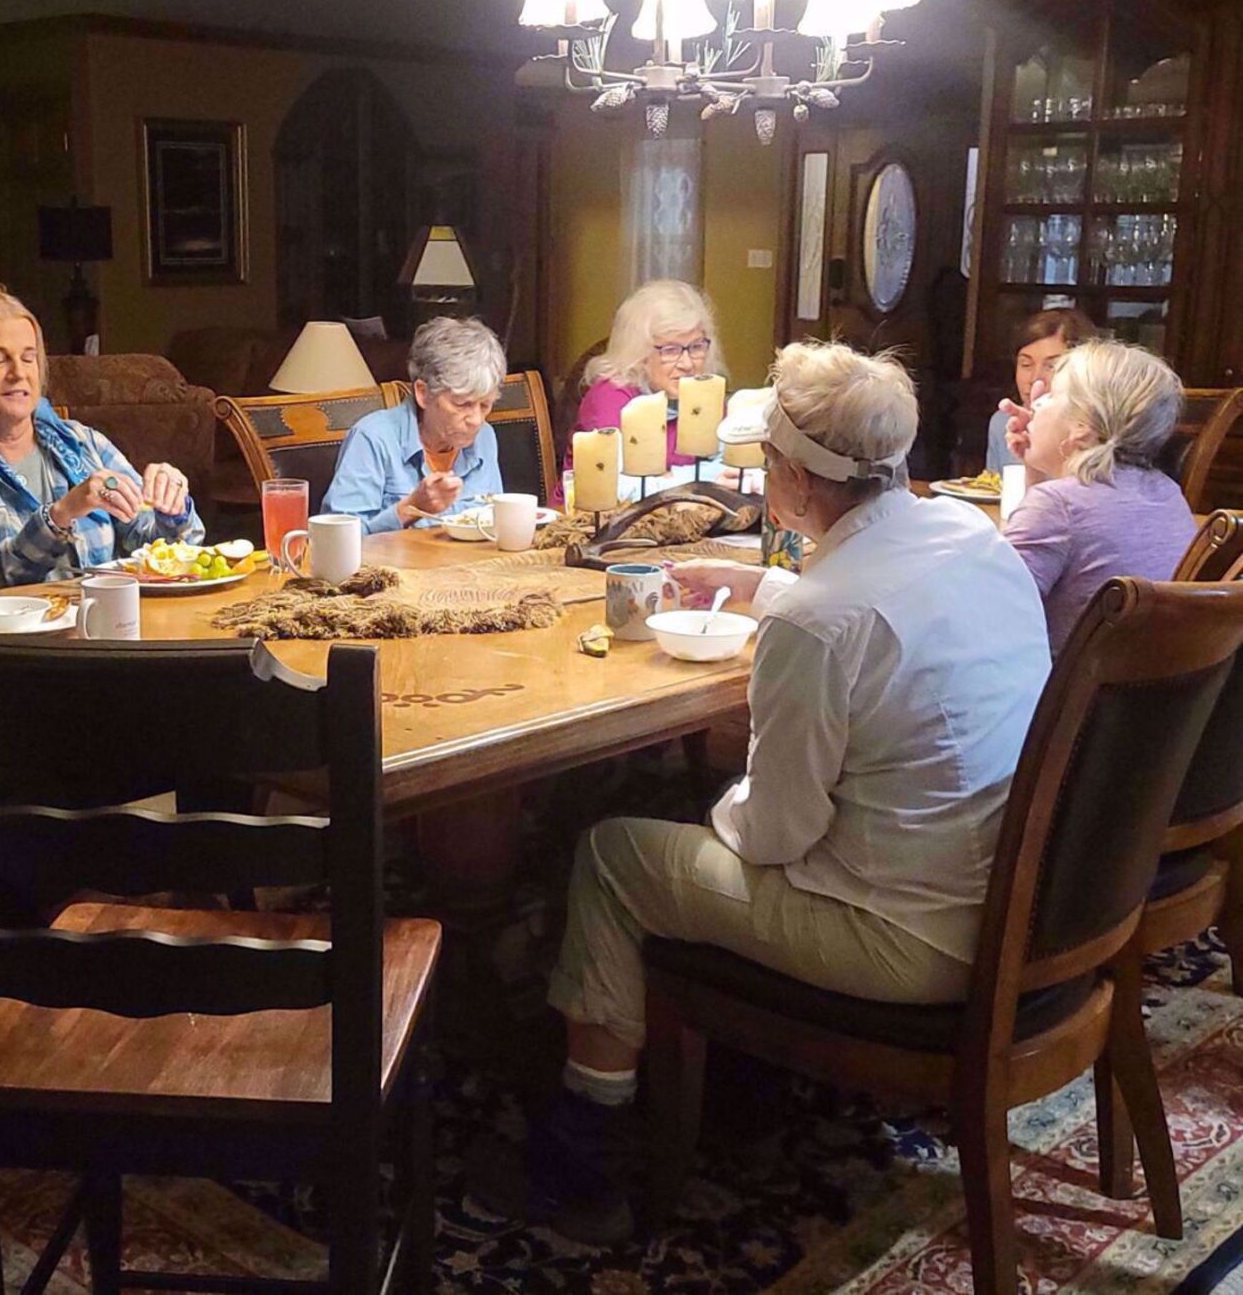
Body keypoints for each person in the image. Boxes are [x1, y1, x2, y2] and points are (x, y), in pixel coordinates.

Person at [471, 342, 1052, 1244]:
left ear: (787, 475)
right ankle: (727, 1071)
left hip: (909, 943)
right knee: (702, 812)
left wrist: (710, 808)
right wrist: (767, 584)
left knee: (615, 852)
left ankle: (577, 1158)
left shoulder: (818, 622)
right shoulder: (971, 538)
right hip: (1020, 905)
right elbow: (878, 601)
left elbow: (775, 835)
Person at [0, 281, 203, 595]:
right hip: (3, 642)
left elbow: (156, 544)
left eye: (28, 357)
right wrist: (59, 517)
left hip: (101, 630)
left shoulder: (84, 444)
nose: (19, 373)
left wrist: (173, 510)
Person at [1002, 340, 1195, 654]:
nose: (1035, 404)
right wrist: (1037, 466)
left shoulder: (1058, 505)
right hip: (1143, 691)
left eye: (1051, 395)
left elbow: (990, 611)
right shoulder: (1168, 492)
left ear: (1082, 426)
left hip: (1061, 696)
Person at [321, 315, 506, 534]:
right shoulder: (372, 438)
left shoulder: (485, 436)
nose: (476, 420)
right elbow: (335, 539)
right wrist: (411, 508)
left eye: (485, 405)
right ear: (423, 394)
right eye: (462, 404)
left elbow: (493, 522)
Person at [564, 279, 728, 485]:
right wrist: (699, 478)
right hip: (597, 516)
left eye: (696, 347)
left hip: (687, 514)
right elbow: (618, 488)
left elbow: (733, 469)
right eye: (671, 350)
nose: (687, 363)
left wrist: (668, 479)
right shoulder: (610, 396)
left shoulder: (704, 394)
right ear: (639, 352)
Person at [986, 307, 1096, 471]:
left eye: (1052, 366)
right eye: (1026, 364)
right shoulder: (1004, 423)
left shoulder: (1095, 432)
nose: (1035, 379)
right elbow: (991, 489)